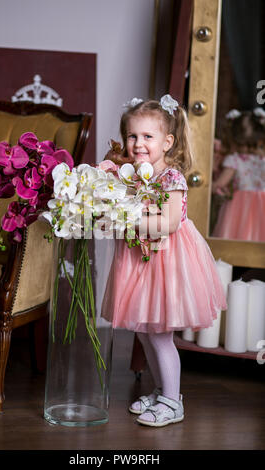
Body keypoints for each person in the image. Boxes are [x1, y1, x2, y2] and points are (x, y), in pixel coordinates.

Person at [101, 95, 227, 427]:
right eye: (132, 136)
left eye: (147, 137)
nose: (137, 143)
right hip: (140, 259)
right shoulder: (130, 176)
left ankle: (174, 401)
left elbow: (169, 224)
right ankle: (162, 391)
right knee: (144, 332)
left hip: (168, 260)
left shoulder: (171, 178)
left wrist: (125, 220)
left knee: (160, 335)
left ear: (167, 142)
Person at [212, 108, 265, 241]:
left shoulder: (234, 159)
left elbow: (221, 183)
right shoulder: (262, 160)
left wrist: (210, 186)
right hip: (260, 206)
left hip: (239, 207)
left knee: (235, 236)